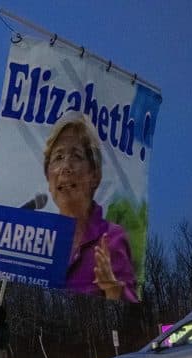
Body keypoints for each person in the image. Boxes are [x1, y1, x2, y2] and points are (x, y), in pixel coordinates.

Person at [43, 112, 139, 302]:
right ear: (47, 175)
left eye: (76, 156)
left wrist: (113, 291)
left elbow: (131, 311)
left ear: (94, 174)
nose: (65, 167)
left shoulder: (112, 239)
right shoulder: (39, 240)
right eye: (58, 156)